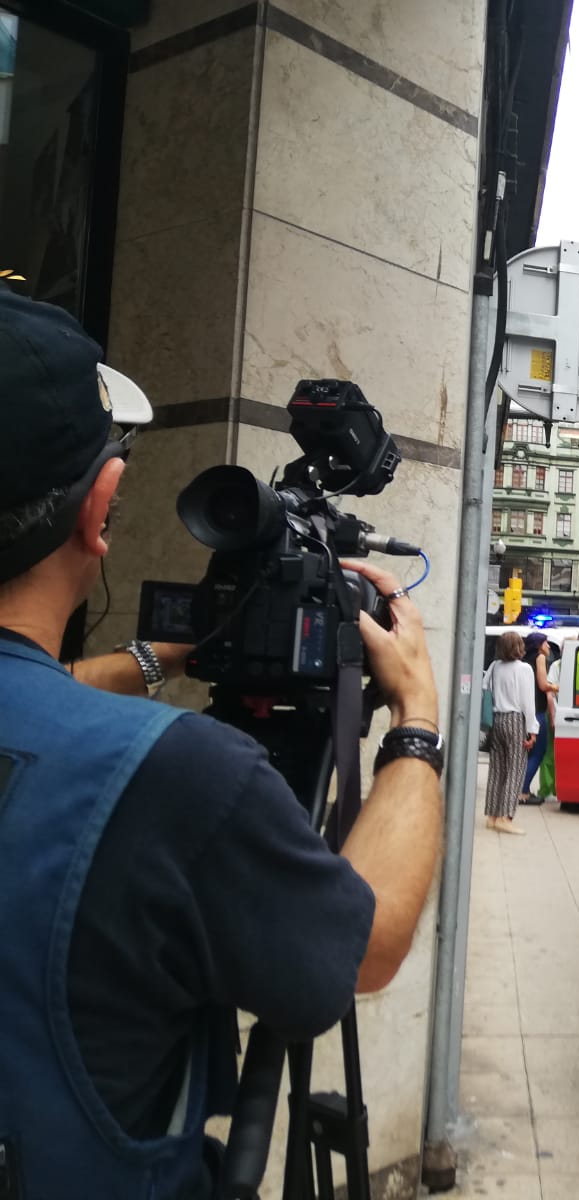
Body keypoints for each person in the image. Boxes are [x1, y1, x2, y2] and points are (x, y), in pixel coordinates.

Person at [0, 289, 443, 1199]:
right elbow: (369, 944)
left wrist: (158, 659)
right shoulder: (179, 781)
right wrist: (418, 721)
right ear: (102, 508)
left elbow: (37, 704)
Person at [484, 629, 540, 833]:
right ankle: (505, 817)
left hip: (497, 719)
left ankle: (492, 815)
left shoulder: (495, 666)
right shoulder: (524, 669)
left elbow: (485, 686)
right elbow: (528, 702)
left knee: (497, 769)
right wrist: (532, 730)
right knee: (515, 769)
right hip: (515, 720)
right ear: (518, 647)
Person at [518, 630, 558, 806]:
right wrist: (557, 687)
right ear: (539, 645)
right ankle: (523, 792)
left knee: (528, 754)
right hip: (537, 710)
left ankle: (520, 789)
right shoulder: (539, 658)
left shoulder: (523, 659)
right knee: (539, 751)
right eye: (545, 642)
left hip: (525, 710)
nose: (548, 646)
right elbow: (543, 685)